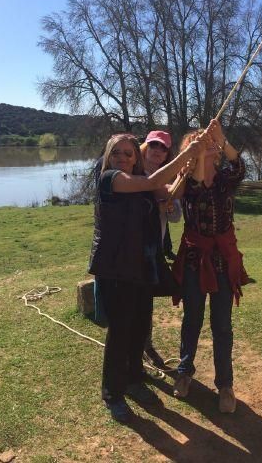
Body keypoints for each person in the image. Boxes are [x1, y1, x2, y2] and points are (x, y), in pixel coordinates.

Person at [88, 132, 206, 422]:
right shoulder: (111, 179)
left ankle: (134, 380)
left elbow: (171, 192)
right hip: (115, 268)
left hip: (142, 266)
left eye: (128, 153)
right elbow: (154, 183)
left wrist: (189, 169)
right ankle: (112, 394)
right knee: (120, 333)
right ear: (109, 155)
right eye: (117, 152)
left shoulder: (141, 180)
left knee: (139, 327)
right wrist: (187, 153)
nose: (123, 158)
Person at [171, 119, 249, 413]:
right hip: (195, 261)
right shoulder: (186, 183)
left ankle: (225, 385)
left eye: (212, 147)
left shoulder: (226, 179)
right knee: (192, 320)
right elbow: (192, 189)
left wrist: (222, 138)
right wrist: (198, 154)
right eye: (202, 146)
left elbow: (240, 167)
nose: (211, 149)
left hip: (222, 262)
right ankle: (184, 373)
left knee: (222, 325)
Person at [140, 130, 182, 369]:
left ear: (168, 154)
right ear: (145, 146)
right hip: (131, 249)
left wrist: (167, 206)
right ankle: (128, 351)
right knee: (129, 302)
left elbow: (176, 216)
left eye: (163, 148)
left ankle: (146, 346)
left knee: (146, 301)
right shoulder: (132, 172)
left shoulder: (169, 179)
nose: (157, 150)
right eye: (153, 145)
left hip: (153, 250)